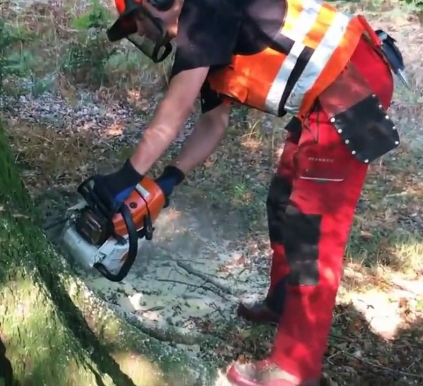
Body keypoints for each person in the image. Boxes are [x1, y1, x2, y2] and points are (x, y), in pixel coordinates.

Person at [81, 0, 404, 384]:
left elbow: (176, 107)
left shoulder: (204, 10)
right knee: (283, 201)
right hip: (324, 92)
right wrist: (167, 182)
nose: (142, 33)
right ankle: (283, 303)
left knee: (310, 230)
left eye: (138, 21)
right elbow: (213, 123)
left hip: (351, 79)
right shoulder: (205, 38)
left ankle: (294, 368)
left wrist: (126, 176)